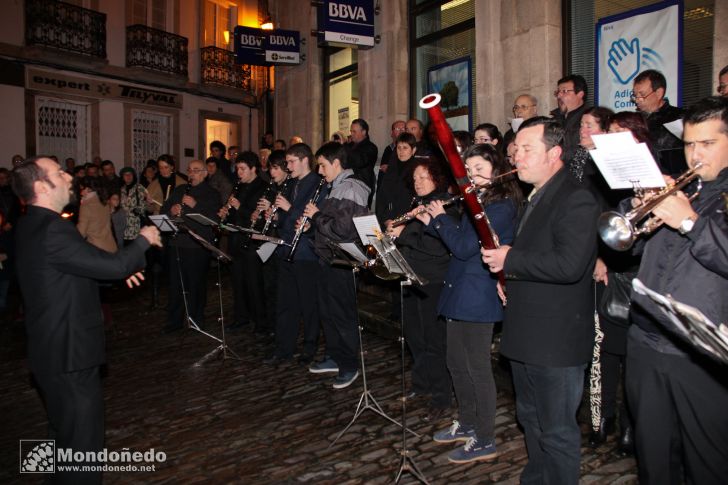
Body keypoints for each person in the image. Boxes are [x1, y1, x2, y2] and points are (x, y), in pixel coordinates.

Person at [12, 156, 160, 485]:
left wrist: (117, 274)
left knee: (62, 442)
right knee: (83, 451)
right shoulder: (53, 229)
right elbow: (109, 264)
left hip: (51, 352)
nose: (69, 177)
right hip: (70, 355)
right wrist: (143, 241)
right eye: (59, 173)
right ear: (40, 187)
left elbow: (75, 268)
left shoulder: (31, 223)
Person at [481, 117, 600, 484]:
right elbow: (538, 255)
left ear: (555, 153)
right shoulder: (536, 194)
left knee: (557, 430)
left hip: (556, 340)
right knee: (530, 417)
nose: (517, 155)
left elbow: (569, 264)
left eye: (527, 148)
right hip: (528, 333)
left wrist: (510, 260)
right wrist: (510, 280)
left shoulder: (575, 196)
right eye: (516, 148)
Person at [624, 96, 728, 484]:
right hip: (647, 341)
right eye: (688, 144)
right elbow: (628, 248)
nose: (694, 154)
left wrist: (688, 222)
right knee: (654, 461)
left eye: (707, 143)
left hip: (702, 355)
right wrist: (638, 213)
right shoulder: (685, 187)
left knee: (708, 463)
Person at [428, 144, 520, 463]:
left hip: (479, 295)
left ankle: (485, 437)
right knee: (456, 362)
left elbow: (465, 247)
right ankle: (466, 422)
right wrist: (433, 218)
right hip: (459, 291)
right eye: (468, 168)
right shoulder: (474, 201)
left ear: (496, 170)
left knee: (478, 368)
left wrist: (439, 218)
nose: (473, 173)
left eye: (480, 167)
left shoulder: (501, 206)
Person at [388, 158, 458, 422]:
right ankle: (422, 383)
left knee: (434, 341)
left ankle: (442, 396)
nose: (418, 183)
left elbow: (436, 247)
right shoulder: (416, 204)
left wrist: (402, 232)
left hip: (433, 282)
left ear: (437, 179)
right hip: (412, 276)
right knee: (414, 336)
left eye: (423, 178)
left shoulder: (444, 206)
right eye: (415, 179)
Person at [304, 142, 370, 389]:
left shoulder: (352, 188)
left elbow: (343, 230)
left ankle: (349, 365)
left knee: (342, 315)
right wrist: (312, 227)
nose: (319, 171)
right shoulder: (335, 188)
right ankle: (335, 356)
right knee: (327, 313)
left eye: (322, 165)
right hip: (327, 258)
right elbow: (328, 226)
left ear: (336, 163)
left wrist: (316, 217)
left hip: (343, 261)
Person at [265, 143, 327, 365]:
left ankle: (309, 347)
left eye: (291, 162)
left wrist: (289, 209)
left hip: (305, 253)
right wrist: (275, 217)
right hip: (286, 248)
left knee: (309, 304)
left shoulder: (318, 185)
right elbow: (286, 218)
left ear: (304, 160)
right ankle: (284, 347)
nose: (288, 167)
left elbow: (310, 218)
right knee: (286, 303)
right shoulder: (292, 184)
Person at [160, 159, 220, 332]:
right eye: (189, 170)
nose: (191, 173)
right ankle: (175, 321)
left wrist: (196, 205)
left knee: (196, 284)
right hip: (177, 243)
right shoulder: (179, 190)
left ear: (204, 173)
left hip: (197, 245)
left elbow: (214, 219)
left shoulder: (212, 193)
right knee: (176, 284)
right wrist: (171, 211)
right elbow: (163, 210)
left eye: (196, 170)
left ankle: (196, 319)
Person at [219, 152, 268, 332]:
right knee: (238, 283)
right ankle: (241, 317)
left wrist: (239, 207)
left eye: (242, 169)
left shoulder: (263, 187)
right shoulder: (238, 187)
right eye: (237, 168)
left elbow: (258, 217)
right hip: (236, 240)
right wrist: (225, 212)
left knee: (254, 284)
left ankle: (261, 322)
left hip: (252, 242)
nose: (239, 172)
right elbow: (234, 213)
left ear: (253, 169)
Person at [631, 69, 685, 175]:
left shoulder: (679, 117)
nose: (637, 100)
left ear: (659, 93)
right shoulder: (634, 120)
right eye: (635, 95)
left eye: (642, 95)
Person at [551, 74, 589, 163]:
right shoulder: (554, 120)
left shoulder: (590, 120)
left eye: (564, 91)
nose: (559, 96)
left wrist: (552, 155)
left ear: (580, 94)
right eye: (558, 92)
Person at [346, 118, 378, 206]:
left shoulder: (371, 147)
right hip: (348, 186)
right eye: (351, 131)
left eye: (354, 131)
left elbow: (360, 162)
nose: (351, 134)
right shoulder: (349, 146)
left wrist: (346, 149)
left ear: (364, 132)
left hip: (363, 186)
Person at [119, 167, 147, 244]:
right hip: (124, 227)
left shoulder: (140, 188)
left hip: (136, 226)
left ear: (134, 176)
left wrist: (137, 210)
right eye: (125, 175)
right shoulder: (121, 190)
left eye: (130, 174)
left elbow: (146, 204)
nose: (128, 176)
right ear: (122, 177)